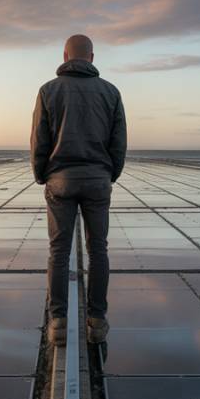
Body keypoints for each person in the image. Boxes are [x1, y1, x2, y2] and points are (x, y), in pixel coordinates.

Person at [31, 33, 127, 346]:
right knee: (98, 249)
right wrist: (109, 174)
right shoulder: (110, 92)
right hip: (98, 179)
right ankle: (97, 321)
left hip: (60, 179)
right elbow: (119, 142)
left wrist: (41, 174)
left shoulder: (48, 90)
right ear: (92, 57)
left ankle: (58, 321)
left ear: (64, 56)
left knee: (58, 251)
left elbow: (39, 140)